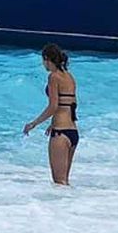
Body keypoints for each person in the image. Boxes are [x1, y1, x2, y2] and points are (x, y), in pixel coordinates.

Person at [22, 44, 78, 185]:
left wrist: (34, 123)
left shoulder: (53, 77)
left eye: (43, 60)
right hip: (72, 132)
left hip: (60, 133)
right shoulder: (69, 77)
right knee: (64, 182)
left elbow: (53, 106)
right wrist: (53, 122)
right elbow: (71, 104)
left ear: (47, 59)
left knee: (59, 183)